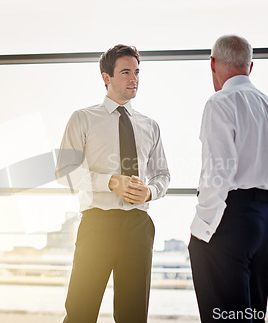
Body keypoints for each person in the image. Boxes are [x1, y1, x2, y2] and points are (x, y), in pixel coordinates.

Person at [55, 44, 170, 323]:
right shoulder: (83, 118)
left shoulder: (149, 125)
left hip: (138, 227)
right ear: (106, 77)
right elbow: (65, 172)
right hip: (98, 224)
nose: (134, 79)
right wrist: (110, 182)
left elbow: (163, 175)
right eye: (126, 72)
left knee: (133, 316)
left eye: (137, 72)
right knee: (81, 311)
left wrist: (150, 191)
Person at [189, 35, 268, 322]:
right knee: (252, 314)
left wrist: (202, 227)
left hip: (229, 220)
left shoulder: (221, 102)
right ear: (250, 66)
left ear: (212, 63)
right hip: (266, 222)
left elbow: (218, 173)